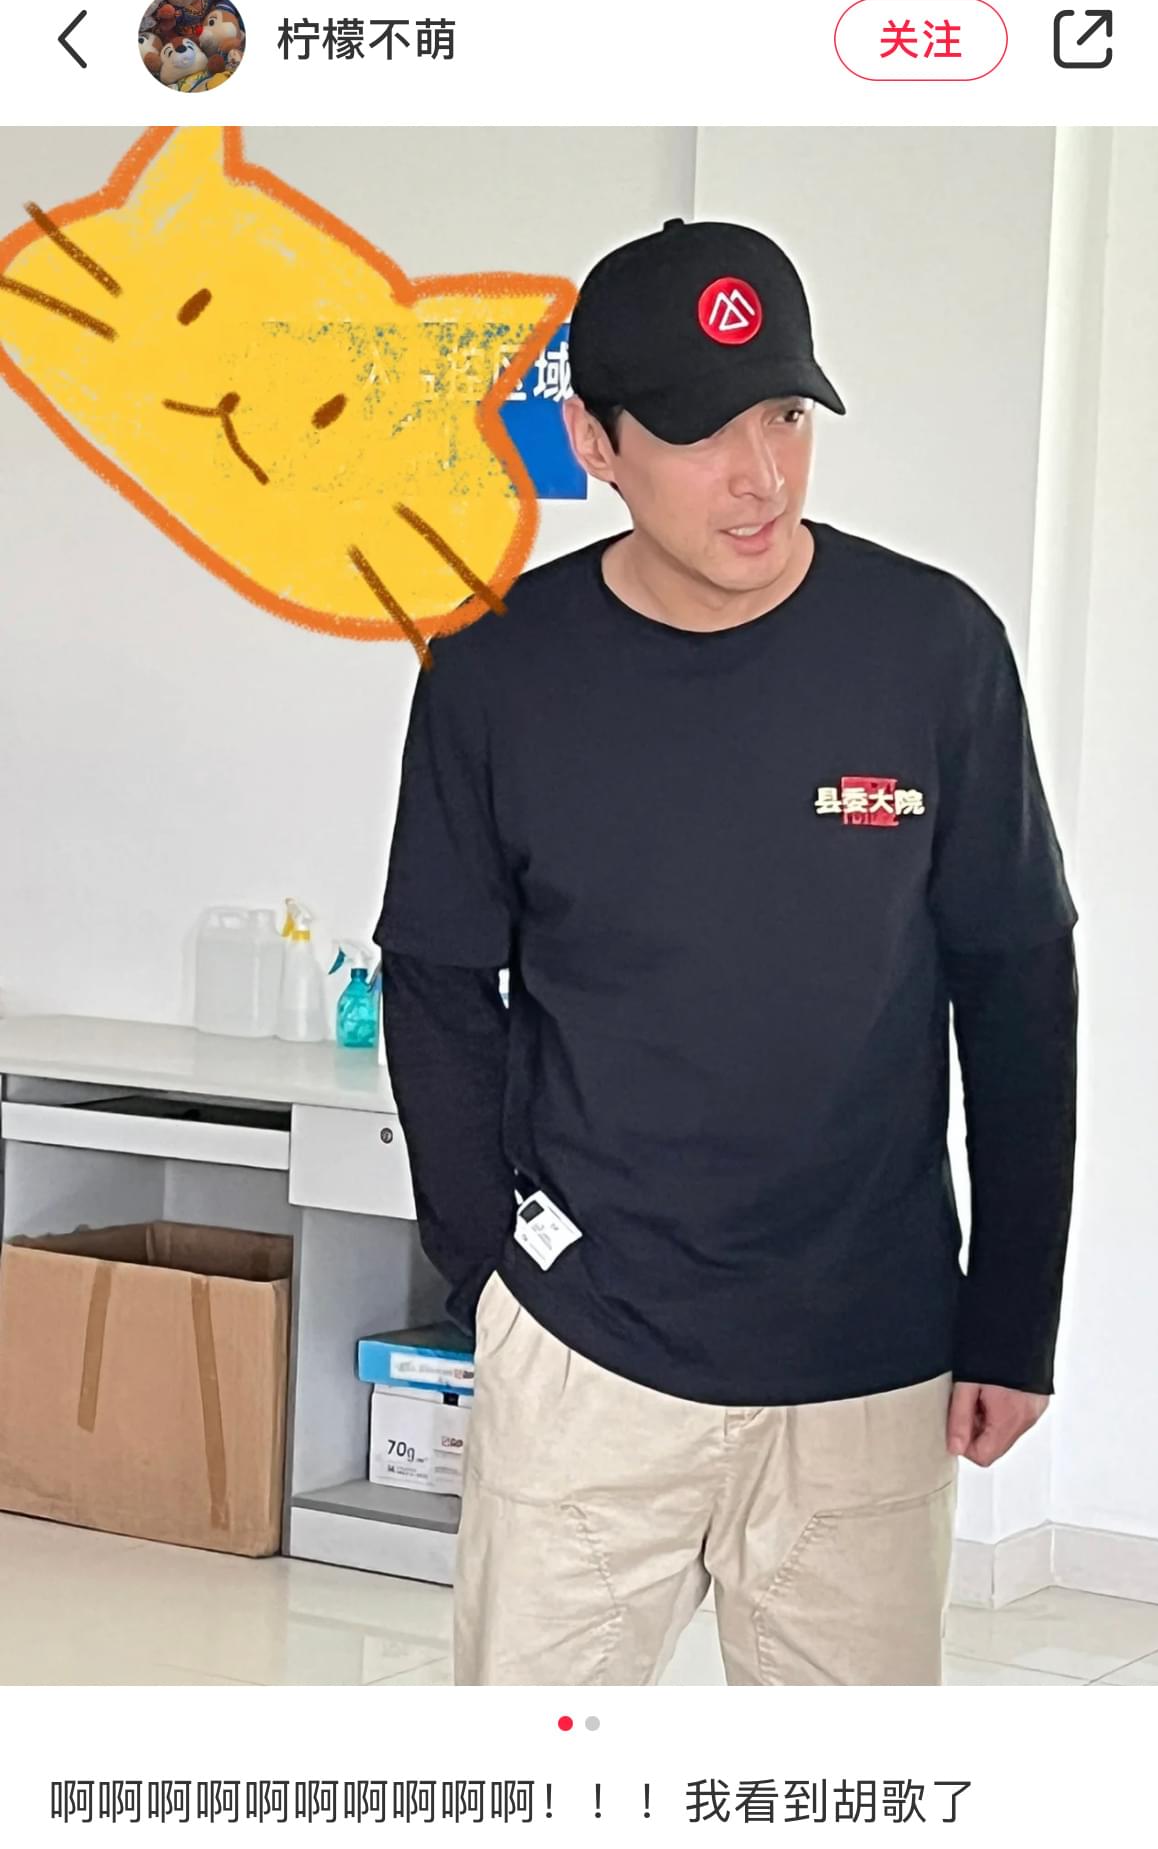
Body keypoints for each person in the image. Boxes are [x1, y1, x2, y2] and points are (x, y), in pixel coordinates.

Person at [373, 217, 1079, 1686]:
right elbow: (437, 981)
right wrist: (489, 1266)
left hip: (867, 1357)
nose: (760, 476)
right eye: (702, 433)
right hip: (587, 1353)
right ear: (597, 443)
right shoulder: (497, 673)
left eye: (784, 417)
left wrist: (1013, 1316)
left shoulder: (932, 649)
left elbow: (1018, 982)